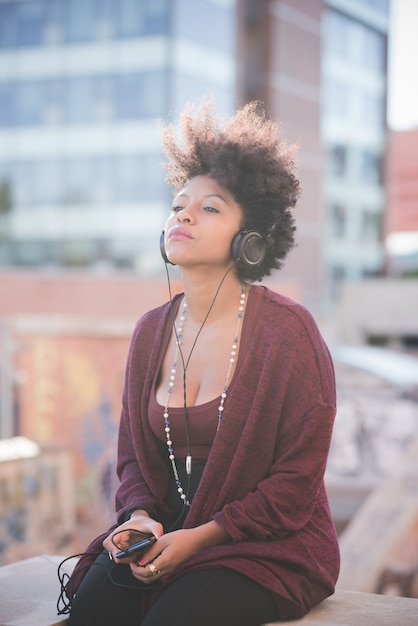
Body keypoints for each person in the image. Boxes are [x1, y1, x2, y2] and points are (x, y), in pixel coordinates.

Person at [62, 99, 340, 626]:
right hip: (166, 538)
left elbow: (297, 480)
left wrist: (203, 537)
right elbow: (133, 462)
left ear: (250, 238)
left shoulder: (289, 332)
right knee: (92, 607)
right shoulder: (149, 332)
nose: (183, 214)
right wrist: (140, 518)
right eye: (178, 204)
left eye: (210, 208)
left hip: (266, 548)